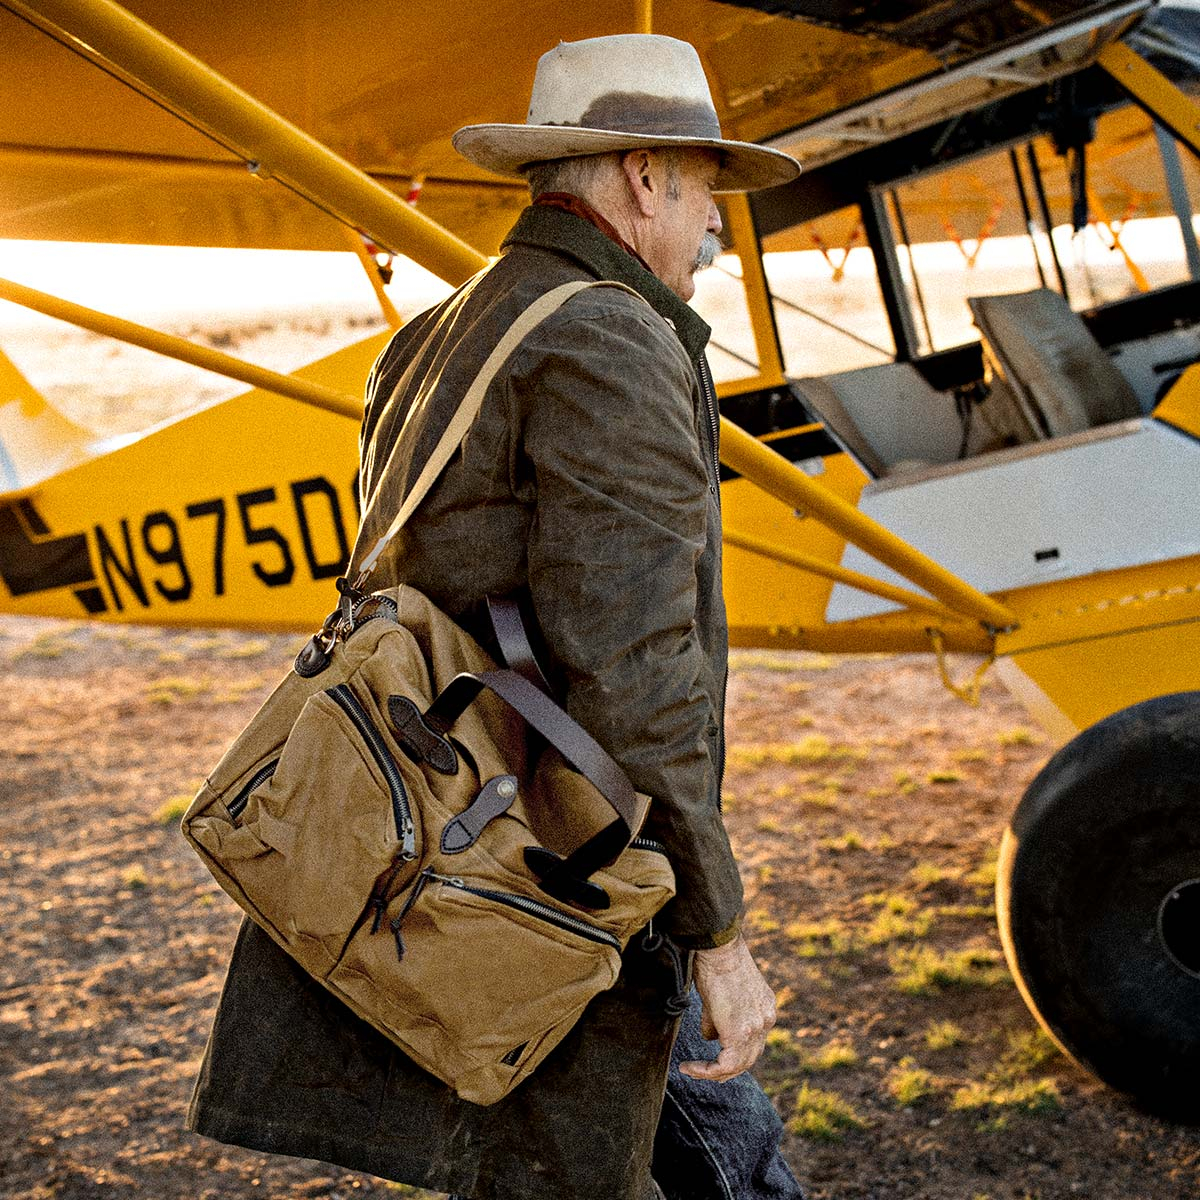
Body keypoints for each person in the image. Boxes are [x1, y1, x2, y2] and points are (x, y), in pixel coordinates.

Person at [187, 33, 803, 1200]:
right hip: (551, 852)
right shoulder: (612, 339)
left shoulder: (446, 325)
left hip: (489, 823)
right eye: (707, 188)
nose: (717, 223)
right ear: (642, 178)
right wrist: (717, 931)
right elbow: (634, 670)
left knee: (699, 1143)